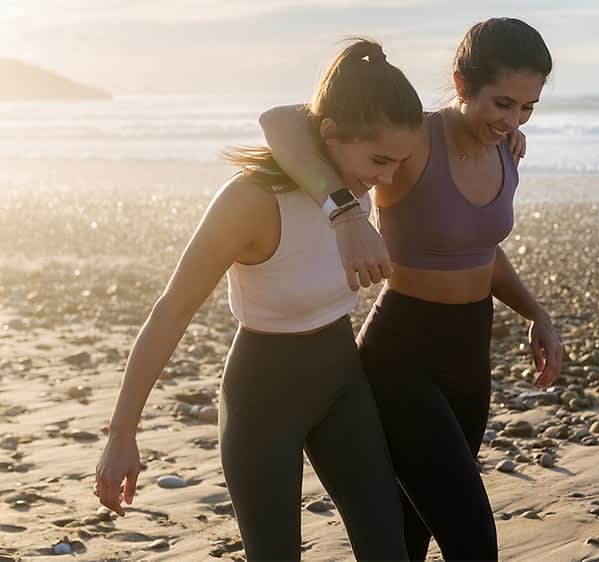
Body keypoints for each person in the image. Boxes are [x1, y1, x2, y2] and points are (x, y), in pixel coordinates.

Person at [93, 39, 424, 561]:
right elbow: (172, 309)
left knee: (388, 551)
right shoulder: (250, 201)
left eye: (397, 162)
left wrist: (505, 138)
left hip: (342, 383)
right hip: (263, 399)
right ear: (330, 135)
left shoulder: (356, 185)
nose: (386, 178)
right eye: (379, 160)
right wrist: (121, 434)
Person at [258, 18, 564, 561]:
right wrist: (345, 213)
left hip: (471, 357)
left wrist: (534, 312)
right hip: (402, 356)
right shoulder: (414, 136)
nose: (513, 119)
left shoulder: (506, 149)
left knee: (410, 536)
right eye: (502, 103)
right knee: (472, 539)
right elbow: (279, 121)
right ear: (461, 83)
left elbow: (482, 250)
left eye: (527, 108)